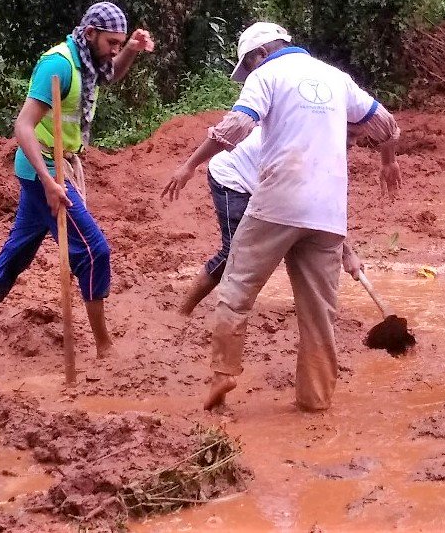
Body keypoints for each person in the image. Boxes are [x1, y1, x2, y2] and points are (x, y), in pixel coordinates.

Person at [162, 22, 401, 410]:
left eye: (248, 66)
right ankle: (316, 398)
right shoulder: (337, 78)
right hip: (328, 215)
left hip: (277, 202)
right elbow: (387, 124)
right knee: (319, 312)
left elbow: (236, 126)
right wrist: (387, 163)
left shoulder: (267, 74)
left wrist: (189, 166)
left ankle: (223, 375)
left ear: (259, 55)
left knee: (237, 289)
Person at [0, 2, 154, 357]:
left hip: (59, 169)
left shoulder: (90, 61)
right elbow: (22, 126)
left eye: (120, 43)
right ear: (90, 33)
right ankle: (104, 346)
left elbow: (110, 74)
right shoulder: (58, 64)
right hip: (45, 172)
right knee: (95, 251)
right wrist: (50, 181)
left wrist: (130, 50)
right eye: (111, 42)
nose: (114, 50)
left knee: (18, 251)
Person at [176, 126, 366, 317]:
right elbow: (304, 204)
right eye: (349, 134)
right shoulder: (298, 149)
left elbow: (321, 203)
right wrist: (346, 252)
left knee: (304, 240)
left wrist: (347, 253)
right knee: (234, 252)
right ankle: (183, 312)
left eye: (357, 136)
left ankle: (307, 308)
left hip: (267, 182)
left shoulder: (323, 150)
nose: (353, 143)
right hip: (233, 176)